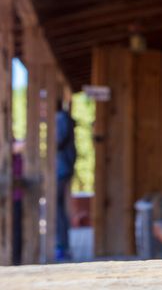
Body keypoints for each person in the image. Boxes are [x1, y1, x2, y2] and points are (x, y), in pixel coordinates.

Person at [55, 100, 76, 262]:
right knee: (59, 208)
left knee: (57, 208)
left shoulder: (60, 118)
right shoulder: (63, 118)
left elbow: (57, 141)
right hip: (63, 167)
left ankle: (61, 246)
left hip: (61, 169)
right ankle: (62, 246)